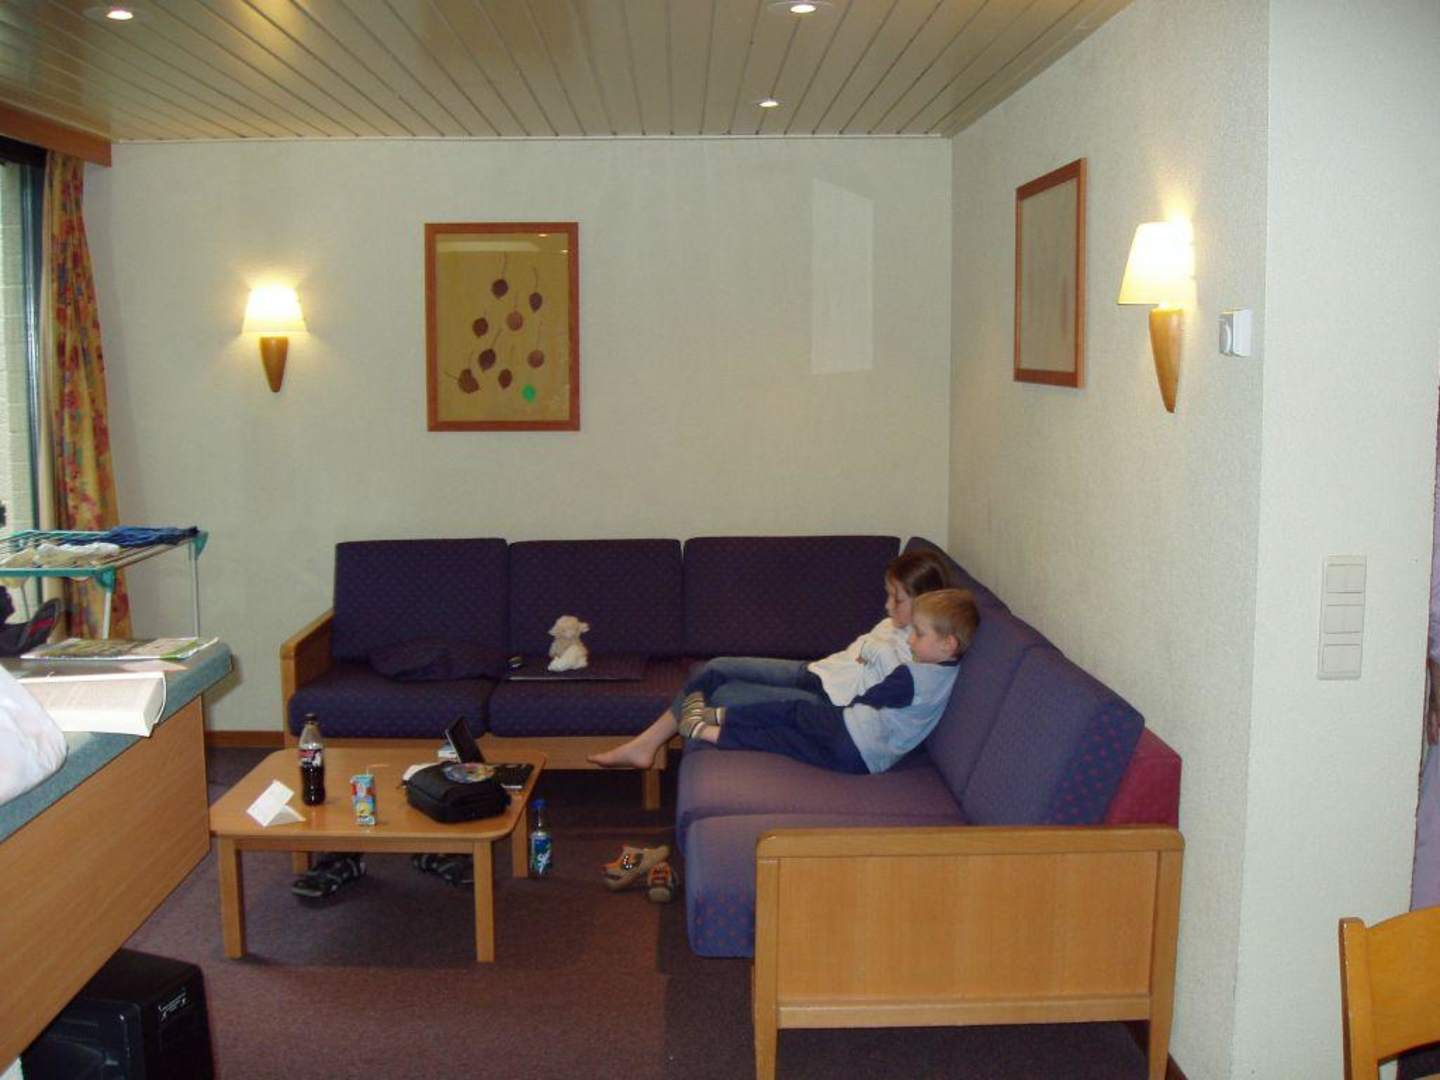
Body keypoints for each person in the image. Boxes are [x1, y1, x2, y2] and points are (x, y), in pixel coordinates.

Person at [585, 549, 953, 770]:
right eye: (888, 595)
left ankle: (648, 745)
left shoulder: (923, 648)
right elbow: (858, 656)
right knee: (714, 668)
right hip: (817, 672)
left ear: (923, 600)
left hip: (830, 704)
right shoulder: (896, 625)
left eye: (896, 599)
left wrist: (880, 651)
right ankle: (647, 743)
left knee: (725, 694)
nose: (887, 606)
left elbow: (884, 690)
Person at [678, 588, 979, 775]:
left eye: (920, 634)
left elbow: (868, 699)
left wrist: (845, 708)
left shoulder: (911, 675)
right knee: (783, 742)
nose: (911, 640)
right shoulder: (951, 675)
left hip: (849, 731)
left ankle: (718, 715)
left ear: (948, 644)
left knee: (791, 712)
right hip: (866, 763)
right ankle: (704, 731)